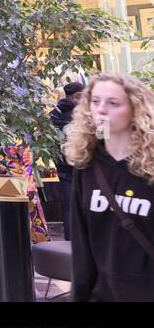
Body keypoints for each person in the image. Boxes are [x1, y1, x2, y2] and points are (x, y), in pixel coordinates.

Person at [64, 73, 154, 302]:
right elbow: (82, 250)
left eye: (113, 103)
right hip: (102, 295)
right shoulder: (86, 167)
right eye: (95, 101)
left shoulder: (149, 169)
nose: (101, 110)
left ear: (135, 110)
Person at [52, 81, 86, 240]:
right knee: (87, 203)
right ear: (78, 96)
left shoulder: (54, 113)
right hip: (84, 163)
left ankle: (70, 242)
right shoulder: (83, 113)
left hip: (63, 164)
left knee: (69, 207)